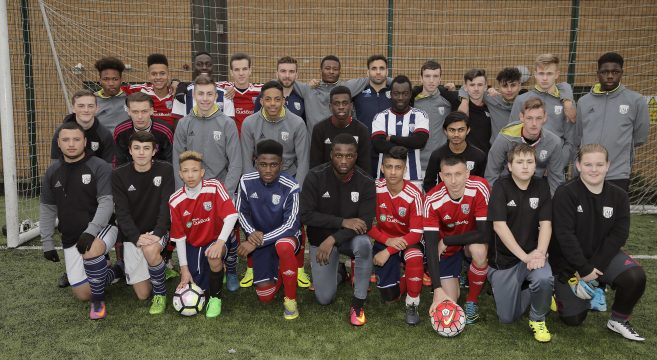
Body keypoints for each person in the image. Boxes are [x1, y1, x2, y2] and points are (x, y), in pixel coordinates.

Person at [550, 144, 647, 341]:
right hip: (570, 264)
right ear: (578, 165)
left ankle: (618, 320)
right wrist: (583, 268)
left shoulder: (619, 195)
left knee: (635, 276)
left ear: (607, 165)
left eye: (599, 164)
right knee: (574, 319)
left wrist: (594, 268)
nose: (594, 169)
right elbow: (564, 235)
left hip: (602, 258)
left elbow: (619, 234)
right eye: (588, 164)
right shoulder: (565, 193)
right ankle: (560, 290)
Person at [40, 121, 120, 319]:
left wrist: (91, 231)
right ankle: (116, 270)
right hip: (70, 235)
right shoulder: (52, 172)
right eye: (66, 140)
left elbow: (107, 203)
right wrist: (47, 242)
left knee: (90, 250)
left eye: (76, 139)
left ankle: (98, 302)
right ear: (58, 143)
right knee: (83, 293)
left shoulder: (99, 167)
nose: (71, 144)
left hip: (102, 228)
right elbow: (47, 208)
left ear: (85, 141)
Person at [172, 74, 242, 291]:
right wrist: (182, 193)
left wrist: (227, 192)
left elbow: (236, 162)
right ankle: (209, 267)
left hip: (219, 191)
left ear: (216, 95)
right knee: (198, 233)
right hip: (193, 191)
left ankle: (230, 271)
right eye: (200, 94)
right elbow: (177, 162)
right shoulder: (184, 124)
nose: (205, 98)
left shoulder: (226, 124)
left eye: (209, 94)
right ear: (194, 95)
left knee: (227, 234)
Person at [239, 81, 310, 289]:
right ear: (261, 101)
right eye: (268, 99)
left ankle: (299, 269)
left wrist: (300, 188)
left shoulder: (297, 123)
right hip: (260, 177)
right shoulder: (250, 123)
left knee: (295, 220)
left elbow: (303, 159)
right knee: (254, 219)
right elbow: (246, 159)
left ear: (284, 100)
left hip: (289, 178)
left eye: (277, 99)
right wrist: (252, 187)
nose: (272, 103)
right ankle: (252, 268)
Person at [300, 134, 375, 326]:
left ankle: (358, 304)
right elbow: (306, 215)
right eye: (339, 155)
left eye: (349, 156)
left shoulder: (366, 181)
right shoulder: (315, 176)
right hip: (320, 240)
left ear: (356, 156)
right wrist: (342, 221)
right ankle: (340, 272)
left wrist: (334, 237)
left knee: (364, 244)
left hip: (348, 240)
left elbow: (364, 223)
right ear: (331, 154)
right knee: (324, 298)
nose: (343, 160)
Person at [487, 143, 554, 342]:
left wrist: (540, 253)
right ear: (509, 166)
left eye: (529, 162)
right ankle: (540, 294)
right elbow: (499, 226)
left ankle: (538, 318)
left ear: (535, 165)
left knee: (543, 278)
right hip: (506, 260)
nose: (525, 166)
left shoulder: (542, 185)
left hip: (533, 255)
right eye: (519, 162)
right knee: (507, 318)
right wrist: (524, 257)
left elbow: (546, 225)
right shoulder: (501, 186)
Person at [236, 140, 302, 319]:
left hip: (285, 237)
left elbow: (291, 225)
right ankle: (281, 273)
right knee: (265, 296)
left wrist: (257, 241)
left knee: (283, 247)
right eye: (263, 164)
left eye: (273, 165)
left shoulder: (291, 186)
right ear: (255, 162)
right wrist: (251, 233)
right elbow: (241, 212)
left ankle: (290, 300)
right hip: (258, 241)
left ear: (281, 164)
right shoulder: (246, 181)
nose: (268, 170)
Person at [169, 150, 239, 318]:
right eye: (185, 171)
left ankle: (216, 299)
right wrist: (184, 269)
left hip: (216, 239)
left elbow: (232, 215)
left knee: (213, 257)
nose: (190, 175)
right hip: (193, 244)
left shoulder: (214, 187)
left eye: (194, 170)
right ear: (180, 174)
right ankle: (215, 275)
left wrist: (220, 243)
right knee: (197, 285)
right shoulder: (175, 200)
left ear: (202, 173)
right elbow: (179, 238)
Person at [112, 131, 174, 314]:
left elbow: (166, 207)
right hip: (134, 236)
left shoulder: (165, 170)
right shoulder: (118, 175)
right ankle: (159, 267)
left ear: (154, 151)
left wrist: (157, 234)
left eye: (146, 148)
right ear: (130, 151)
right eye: (137, 148)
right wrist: (136, 237)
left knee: (150, 250)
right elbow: (121, 213)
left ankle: (161, 295)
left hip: (157, 231)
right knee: (142, 294)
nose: (141, 153)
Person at [424, 156, 490, 324]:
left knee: (479, 251)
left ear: (467, 173)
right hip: (446, 251)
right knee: (449, 302)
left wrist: (447, 240)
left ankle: (472, 301)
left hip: (469, 242)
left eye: (458, 174)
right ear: (441, 175)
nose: (453, 181)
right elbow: (431, 247)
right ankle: (457, 276)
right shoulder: (432, 199)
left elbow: (484, 233)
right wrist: (437, 288)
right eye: (448, 175)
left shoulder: (480, 187)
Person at [575, 52, 650, 192]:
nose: (610, 76)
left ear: (622, 73)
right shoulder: (583, 102)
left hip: (617, 173)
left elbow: (640, 137)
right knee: (585, 214)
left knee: (613, 214)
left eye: (615, 72)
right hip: (587, 172)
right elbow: (579, 136)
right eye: (605, 72)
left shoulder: (636, 100)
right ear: (598, 73)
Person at [369, 146, 424, 325]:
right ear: (382, 168)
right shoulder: (374, 189)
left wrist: (388, 250)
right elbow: (366, 224)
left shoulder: (414, 194)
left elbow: (416, 234)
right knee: (390, 298)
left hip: (409, 242)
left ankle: (413, 303)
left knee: (414, 256)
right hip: (385, 240)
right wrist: (386, 241)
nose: (393, 172)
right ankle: (405, 279)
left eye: (398, 167)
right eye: (389, 166)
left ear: (405, 169)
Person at [459, 67, 574, 147]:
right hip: (497, 149)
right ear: (498, 86)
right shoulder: (491, 98)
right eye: (504, 86)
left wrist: (568, 101)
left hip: (523, 152)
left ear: (519, 85)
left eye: (513, 85)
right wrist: (464, 101)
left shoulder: (528, 101)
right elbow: (467, 88)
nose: (509, 90)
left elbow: (563, 86)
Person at [486, 97, 565, 195]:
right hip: (507, 188)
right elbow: (492, 172)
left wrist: (553, 206)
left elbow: (556, 179)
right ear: (521, 117)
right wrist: (496, 200)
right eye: (529, 118)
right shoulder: (505, 138)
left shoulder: (553, 142)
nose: (534, 124)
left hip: (536, 188)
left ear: (545, 118)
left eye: (539, 118)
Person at [509, 54, 576, 165]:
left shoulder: (566, 102)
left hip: (555, 165)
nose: (545, 78)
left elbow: (570, 139)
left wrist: (558, 163)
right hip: (526, 164)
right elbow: (513, 135)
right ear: (535, 74)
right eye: (541, 73)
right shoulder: (521, 100)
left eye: (549, 73)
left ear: (557, 74)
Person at [372, 75, 429, 185]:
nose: (400, 98)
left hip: (413, 178)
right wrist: (408, 143)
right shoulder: (380, 117)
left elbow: (420, 142)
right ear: (390, 94)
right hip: (385, 180)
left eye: (405, 93)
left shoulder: (420, 115)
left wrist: (392, 138)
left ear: (410, 94)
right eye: (396, 93)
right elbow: (378, 144)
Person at [293, 55, 371, 132]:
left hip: (340, 141)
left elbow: (372, 78)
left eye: (335, 69)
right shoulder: (308, 89)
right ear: (320, 70)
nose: (331, 72)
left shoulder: (346, 88)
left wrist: (370, 73)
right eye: (327, 68)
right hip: (314, 142)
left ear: (340, 71)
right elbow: (286, 80)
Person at [309, 86, 372, 173]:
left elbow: (365, 168)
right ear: (330, 107)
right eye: (337, 103)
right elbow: (315, 166)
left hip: (354, 183)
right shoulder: (319, 129)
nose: (341, 107)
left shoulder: (362, 130)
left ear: (351, 106)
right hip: (325, 183)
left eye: (345, 103)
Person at [423, 111, 487, 192]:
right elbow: (428, 183)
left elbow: (482, 184)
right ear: (445, 131)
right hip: (444, 202)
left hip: (471, 202)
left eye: (461, 130)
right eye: (452, 130)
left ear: (468, 130)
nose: (456, 134)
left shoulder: (479, 156)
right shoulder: (437, 155)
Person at [414, 60, 460, 172]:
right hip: (416, 163)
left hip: (442, 163)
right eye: (427, 76)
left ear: (440, 79)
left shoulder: (448, 101)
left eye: (435, 76)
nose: (431, 80)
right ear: (421, 78)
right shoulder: (412, 102)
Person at [51, 89, 114, 164]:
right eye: (81, 106)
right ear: (73, 108)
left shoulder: (105, 134)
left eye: (90, 106)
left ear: (97, 109)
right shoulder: (61, 132)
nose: (86, 110)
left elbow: (108, 166)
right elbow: (55, 163)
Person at [113, 92, 174, 167]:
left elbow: (171, 162)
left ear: (151, 110)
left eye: (144, 111)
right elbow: (118, 162)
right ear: (128, 111)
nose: (140, 117)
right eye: (135, 112)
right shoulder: (121, 131)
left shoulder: (165, 131)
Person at [172, 53, 235, 121]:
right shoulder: (181, 93)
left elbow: (229, 126)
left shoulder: (225, 94)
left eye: (208, 64)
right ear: (193, 67)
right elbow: (178, 128)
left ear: (213, 67)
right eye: (199, 64)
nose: (204, 67)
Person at [124, 53, 177, 127]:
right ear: (148, 76)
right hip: (146, 137)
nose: (158, 77)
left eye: (162, 73)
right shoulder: (140, 89)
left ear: (168, 75)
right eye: (154, 74)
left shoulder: (176, 93)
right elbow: (115, 88)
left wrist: (177, 82)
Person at [219, 52, 262, 135]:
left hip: (253, 142)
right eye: (237, 69)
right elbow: (202, 84)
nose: (241, 73)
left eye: (244, 69)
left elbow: (279, 86)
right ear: (231, 72)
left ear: (250, 70)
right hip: (232, 142)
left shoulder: (260, 90)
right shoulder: (223, 88)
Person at [254, 56, 305, 120]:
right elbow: (255, 122)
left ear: (296, 75)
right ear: (277, 74)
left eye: (291, 71)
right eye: (283, 71)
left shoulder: (302, 98)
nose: (287, 75)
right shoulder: (264, 97)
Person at [93, 57, 129, 134]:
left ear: (121, 80)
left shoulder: (130, 98)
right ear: (100, 80)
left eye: (115, 79)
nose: (111, 83)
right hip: (102, 144)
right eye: (106, 79)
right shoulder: (92, 100)